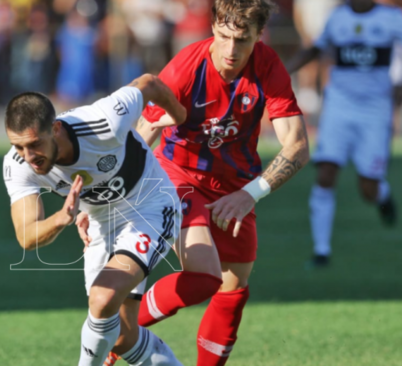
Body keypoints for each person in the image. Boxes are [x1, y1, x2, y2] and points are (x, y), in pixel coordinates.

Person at [89, 1, 310, 365]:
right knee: (205, 275)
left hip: (235, 184)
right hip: (178, 176)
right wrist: (104, 197)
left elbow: (298, 146)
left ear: (258, 35)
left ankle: (121, 329)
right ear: (213, 28)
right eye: (223, 37)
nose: (230, 50)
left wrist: (249, 194)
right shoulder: (186, 68)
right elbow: (143, 135)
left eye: (242, 40)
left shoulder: (268, 66)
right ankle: (118, 328)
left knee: (233, 288)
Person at [2, 73, 189, 366]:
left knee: (102, 299)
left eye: (35, 144)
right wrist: (61, 219)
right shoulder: (17, 165)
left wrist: (180, 117)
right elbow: (26, 237)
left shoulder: (104, 121)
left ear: (56, 128)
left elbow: (149, 83)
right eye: (18, 146)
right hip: (102, 222)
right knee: (122, 337)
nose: (28, 156)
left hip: (151, 208)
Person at [287, 0, 402, 267]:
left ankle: (383, 196)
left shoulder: (391, 18)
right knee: (326, 171)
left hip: (375, 109)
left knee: (368, 187)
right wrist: (280, 73)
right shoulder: (336, 17)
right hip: (339, 105)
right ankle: (321, 251)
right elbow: (314, 49)